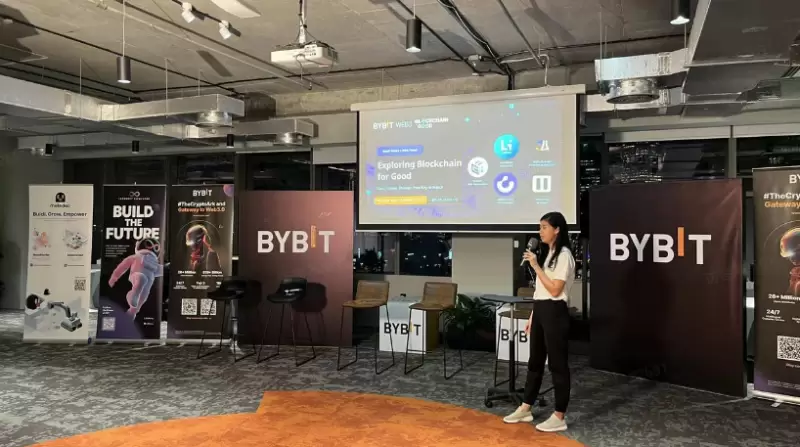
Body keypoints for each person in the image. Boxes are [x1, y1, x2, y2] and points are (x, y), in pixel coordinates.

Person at [503, 211, 575, 432]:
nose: (540, 231)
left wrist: (535, 266)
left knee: (557, 365)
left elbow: (555, 290)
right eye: (539, 227)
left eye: (544, 227)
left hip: (555, 311)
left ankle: (559, 415)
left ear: (557, 230)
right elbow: (541, 291)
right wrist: (533, 316)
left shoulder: (564, 255)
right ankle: (526, 407)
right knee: (535, 362)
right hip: (541, 310)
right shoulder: (547, 253)